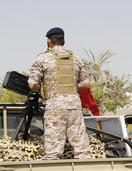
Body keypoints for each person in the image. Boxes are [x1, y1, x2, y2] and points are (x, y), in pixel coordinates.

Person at [28, 27, 91, 159]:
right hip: (74, 105)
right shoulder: (76, 58)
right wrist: (71, 86)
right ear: (64, 41)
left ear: (49, 41)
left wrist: (46, 88)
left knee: (53, 151)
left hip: (55, 106)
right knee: (82, 149)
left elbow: (32, 84)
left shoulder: (43, 58)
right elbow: (85, 84)